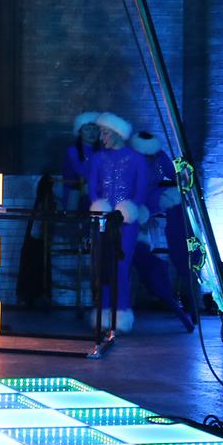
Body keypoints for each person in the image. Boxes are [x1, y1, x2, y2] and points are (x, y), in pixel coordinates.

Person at [86, 112, 153, 332]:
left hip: (126, 222)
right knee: (102, 265)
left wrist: (128, 211)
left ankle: (121, 312)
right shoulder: (97, 158)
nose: (101, 138)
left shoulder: (137, 159)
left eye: (105, 133)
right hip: (104, 220)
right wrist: (99, 206)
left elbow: (142, 190)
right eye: (101, 133)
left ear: (117, 134)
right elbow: (93, 187)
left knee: (121, 266)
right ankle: (103, 312)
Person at [129, 128, 198, 330]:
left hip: (156, 201)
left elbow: (177, 177)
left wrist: (184, 173)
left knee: (180, 245)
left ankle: (189, 298)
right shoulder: (130, 160)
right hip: (136, 204)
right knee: (137, 253)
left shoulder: (159, 157)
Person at [61, 112, 100, 211]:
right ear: (79, 132)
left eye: (95, 129)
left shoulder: (102, 151)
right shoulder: (73, 151)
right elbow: (83, 173)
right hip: (74, 193)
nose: (92, 133)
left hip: (94, 193)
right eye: (87, 129)